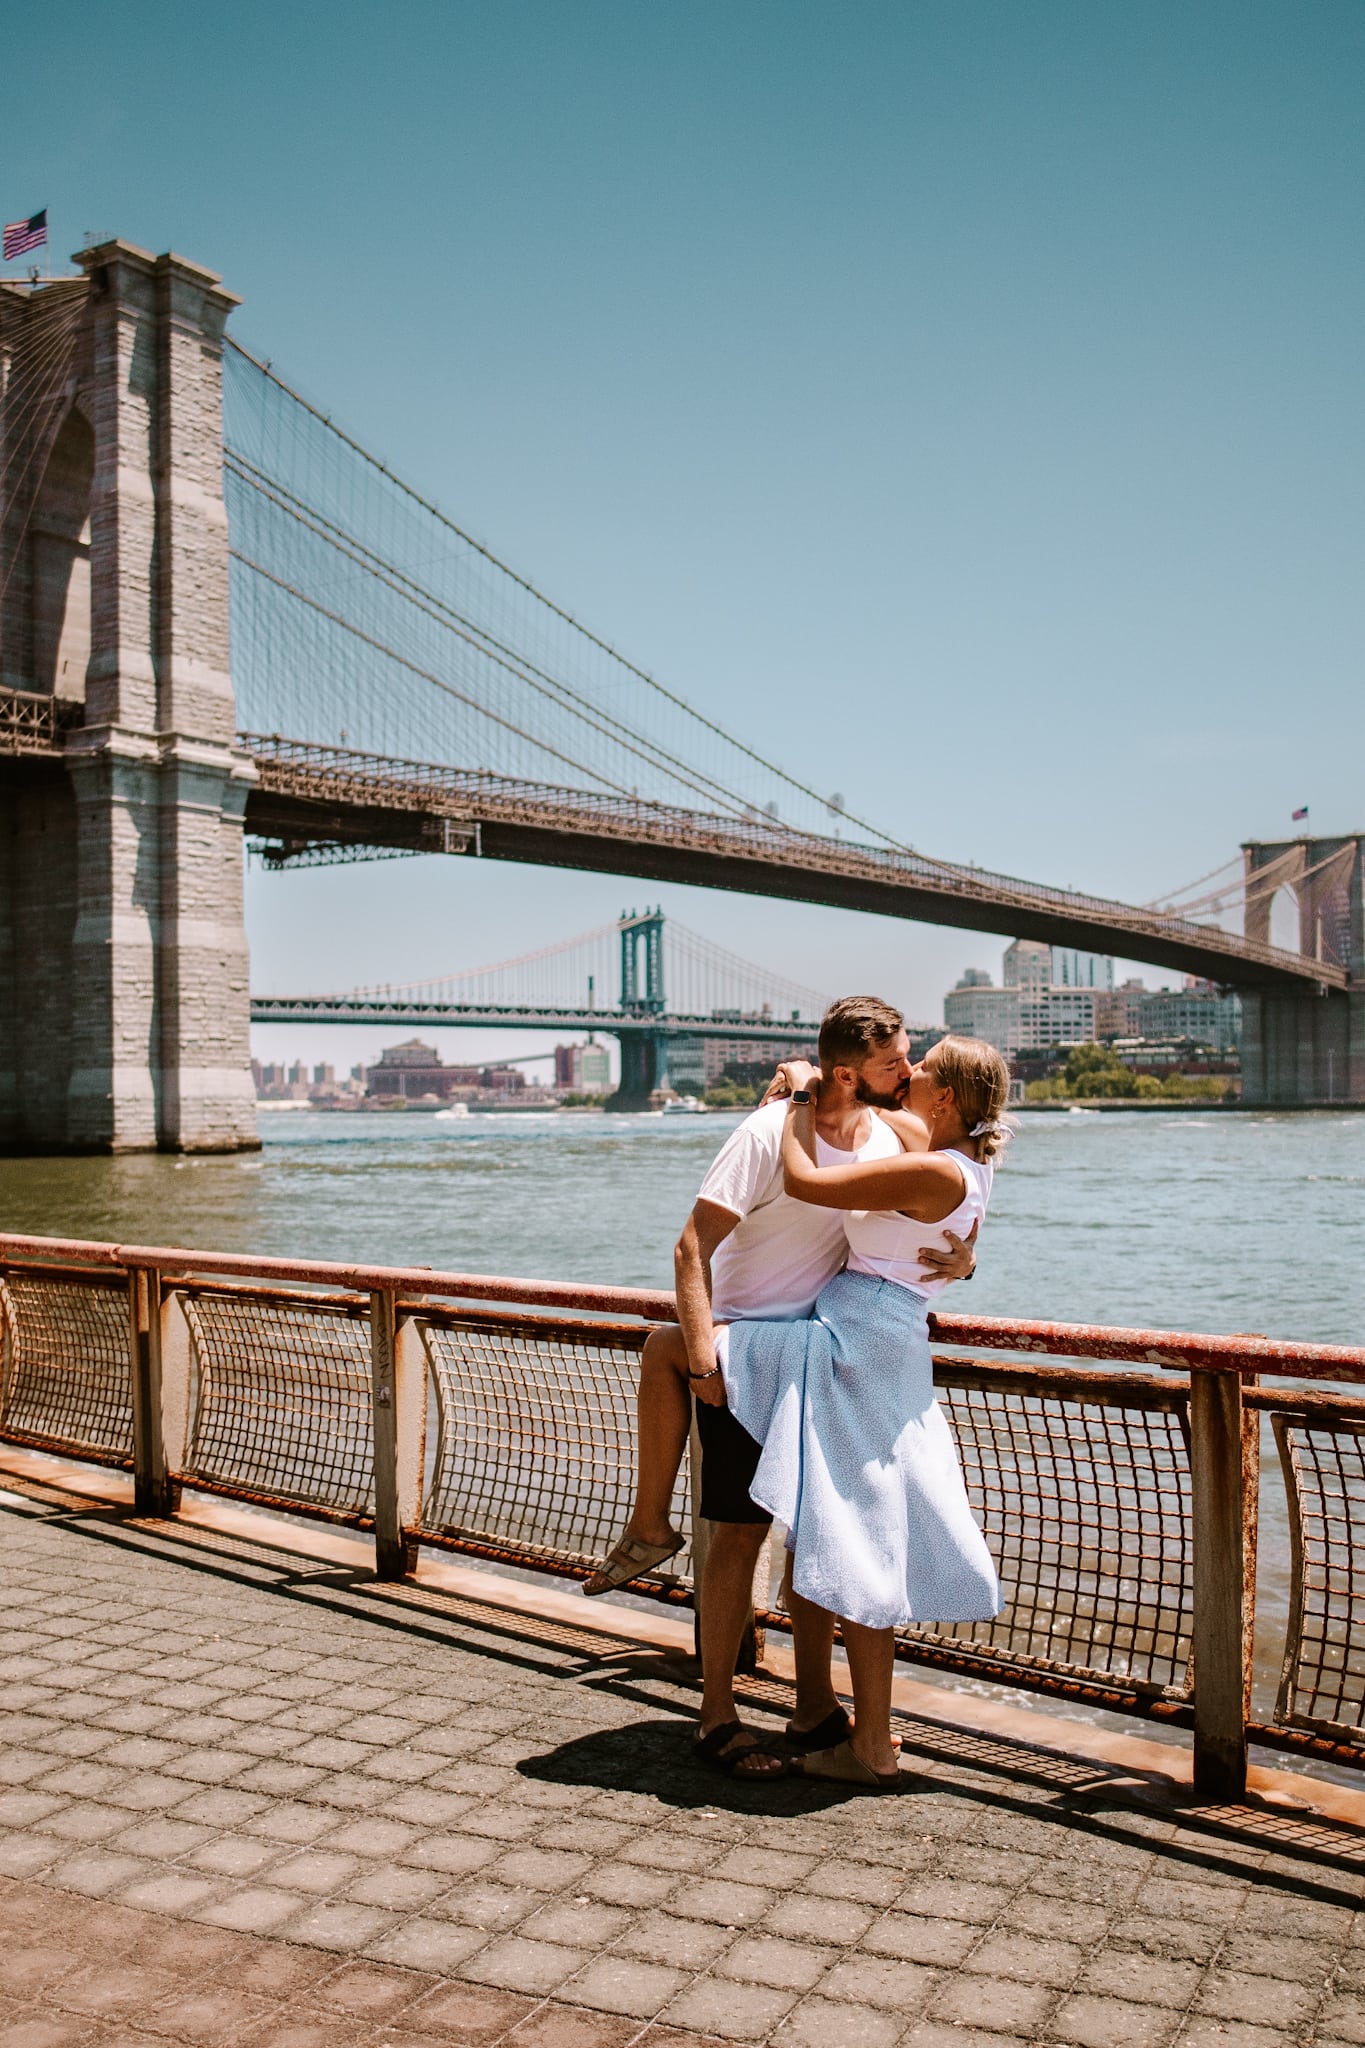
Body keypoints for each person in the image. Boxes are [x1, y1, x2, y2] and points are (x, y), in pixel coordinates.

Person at [583, 997, 977, 1781]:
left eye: (908, 1061)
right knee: (735, 1535)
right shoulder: (766, 1134)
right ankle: (716, 1714)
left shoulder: (888, 1132)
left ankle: (811, 1708)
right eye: (895, 1061)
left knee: (816, 1542)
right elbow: (689, 1248)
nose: (906, 1070)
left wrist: (962, 1260)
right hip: (745, 1351)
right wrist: (701, 1364)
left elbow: (946, 1203)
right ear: (846, 1072)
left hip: (826, 1358)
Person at [716, 1032, 1011, 1789]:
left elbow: (806, 1181)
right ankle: (847, 1725)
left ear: (944, 1096)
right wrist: (806, 1075)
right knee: (852, 1530)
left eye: (924, 1067)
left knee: (859, 1540)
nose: (909, 1073)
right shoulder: (947, 1155)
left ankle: (871, 1747)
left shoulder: (928, 1164)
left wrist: (800, 1102)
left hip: (859, 1341)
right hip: (870, 1334)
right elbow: (950, 1230)